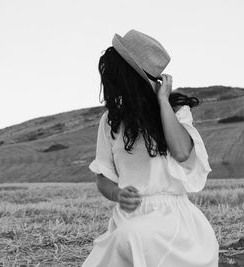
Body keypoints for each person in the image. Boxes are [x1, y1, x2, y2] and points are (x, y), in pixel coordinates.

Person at [82, 29, 219, 267]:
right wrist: (117, 194)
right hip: (129, 219)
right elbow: (102, 178)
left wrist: (163, 101)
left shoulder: (177, 112)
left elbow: (182, 152)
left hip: (172, 222)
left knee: (132, 237)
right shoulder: (110, 121)